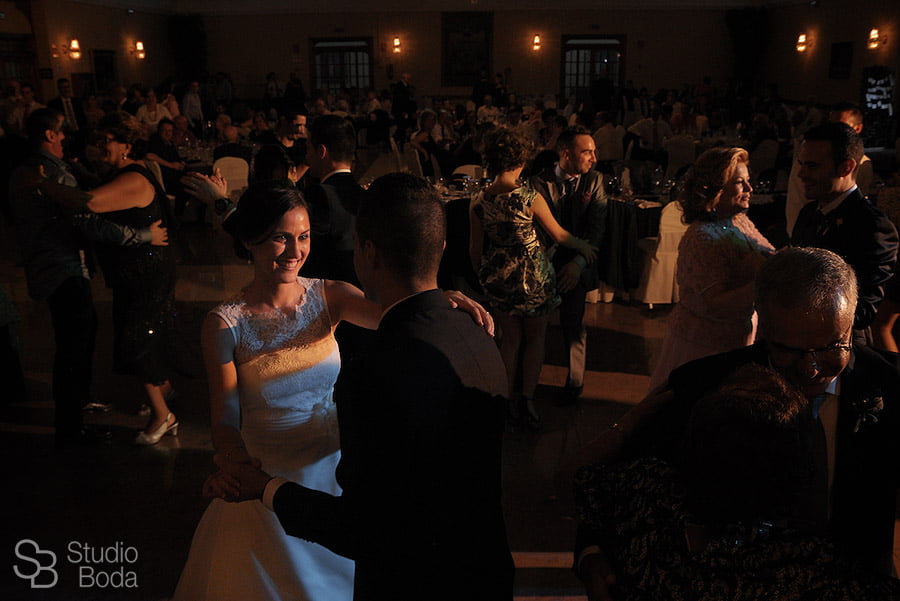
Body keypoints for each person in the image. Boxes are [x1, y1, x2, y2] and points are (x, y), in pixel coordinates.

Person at [215, 173, 513, 601]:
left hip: (399, 567)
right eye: (280, 238)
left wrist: (263, 488)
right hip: (480, 569)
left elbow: (364, 529)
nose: (296, 251)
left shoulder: (368, 366)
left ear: (366, 252)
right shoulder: (479, 337)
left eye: (303, 236)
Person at [574, 248, 900, 596]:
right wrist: (592, 556)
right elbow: (610, 484)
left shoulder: (891, 385)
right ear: (762, 323)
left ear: (852, 323)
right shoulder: (704, 385)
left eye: (832, 346)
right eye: (789, 350)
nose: (811, 369)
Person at [576, 364, 900, 601]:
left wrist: (631, 420)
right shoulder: (805, 569)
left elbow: (574, 477)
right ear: (795, 472)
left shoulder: (646, 493)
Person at [10, 108, 167, 446]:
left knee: (80, 342)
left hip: (49, 266)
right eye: (61, 131)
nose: (66, 136)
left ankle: (78, 407)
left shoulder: (29, 170)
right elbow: (87, 216)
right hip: (63, 268)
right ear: (50, 135)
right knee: (74, 349)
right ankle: (71, 426)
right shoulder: (46, 173)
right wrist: (142, 236)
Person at [471, 128, 597, 428]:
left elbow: (475, 249)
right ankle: (526, 399)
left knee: (510, 340)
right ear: (520, 161)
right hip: (533, 277)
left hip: (498, 276)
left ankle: (503, 399)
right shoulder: (529, 196)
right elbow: (559, 234)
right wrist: (584, 247)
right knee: (535, 339)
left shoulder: (478, 200)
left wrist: (484, 277)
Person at [648, 147, 775, 390]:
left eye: (748, 181)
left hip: (738, 338)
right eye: (740, 182)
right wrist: (764, 276)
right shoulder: (701, 238)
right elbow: (714, 303)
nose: (750, 189)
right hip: (705, 347)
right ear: (714, 188)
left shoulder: (739, 221)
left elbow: (768, 255)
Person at [791, 121, 898, 345]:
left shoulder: (873, 226)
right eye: (801, 164)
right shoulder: (809, 212)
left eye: (812, 166)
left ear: (846, 167)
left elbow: (865, 310)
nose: (801, 174)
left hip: (840, 348)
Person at [530, 128, 607, 404]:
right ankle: (525, 387)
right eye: (587, 152)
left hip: (578, 263)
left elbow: (596, 231)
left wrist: (576, 265)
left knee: (574, 325)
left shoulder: (595, 181)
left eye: (594, 151)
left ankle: (575, 384)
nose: (594, 158)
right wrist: (549, 265)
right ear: (566, 154)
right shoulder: (538, 181)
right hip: (543, 263)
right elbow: (537, 230)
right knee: (533, 328)